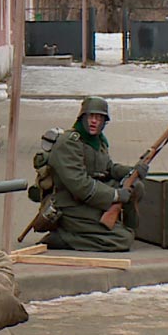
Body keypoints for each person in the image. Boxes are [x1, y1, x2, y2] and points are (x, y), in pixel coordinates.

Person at [41, 96, 147, 252]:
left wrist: (132, 171)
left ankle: (122, 228)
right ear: (82, 118)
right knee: (122, 240)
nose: (94, 121)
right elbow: (80, 185)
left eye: (99, 118)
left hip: (90, 199)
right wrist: (115, 195)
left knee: (136, 186)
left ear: (104, 122)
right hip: (71, 205)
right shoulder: (69, 143)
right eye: (91, 116)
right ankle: (65, 238)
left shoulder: (98, 141)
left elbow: (107, 168)